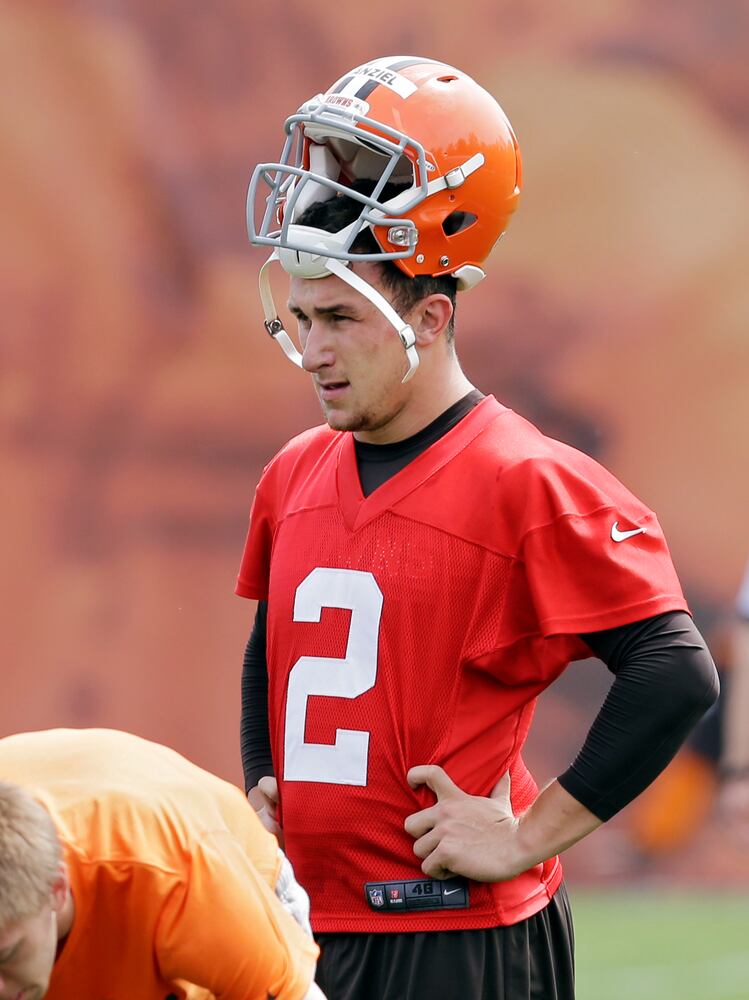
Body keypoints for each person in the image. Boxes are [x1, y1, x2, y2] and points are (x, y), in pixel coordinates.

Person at [237, 56, 719, 1000]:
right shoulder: (294, 471)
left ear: (428, 317)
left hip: (455, 935)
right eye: (301, 317)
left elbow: (673, 671)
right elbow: (274, 642)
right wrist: (264, 775)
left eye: (338, 318)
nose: (313, 350)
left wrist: (529, 837)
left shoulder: (523, 478)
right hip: (312, 924)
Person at [0, 727, 325, 1000]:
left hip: (226, 883)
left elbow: (298, 995)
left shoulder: (177, 877)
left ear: (56, 889)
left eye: (6, 955)